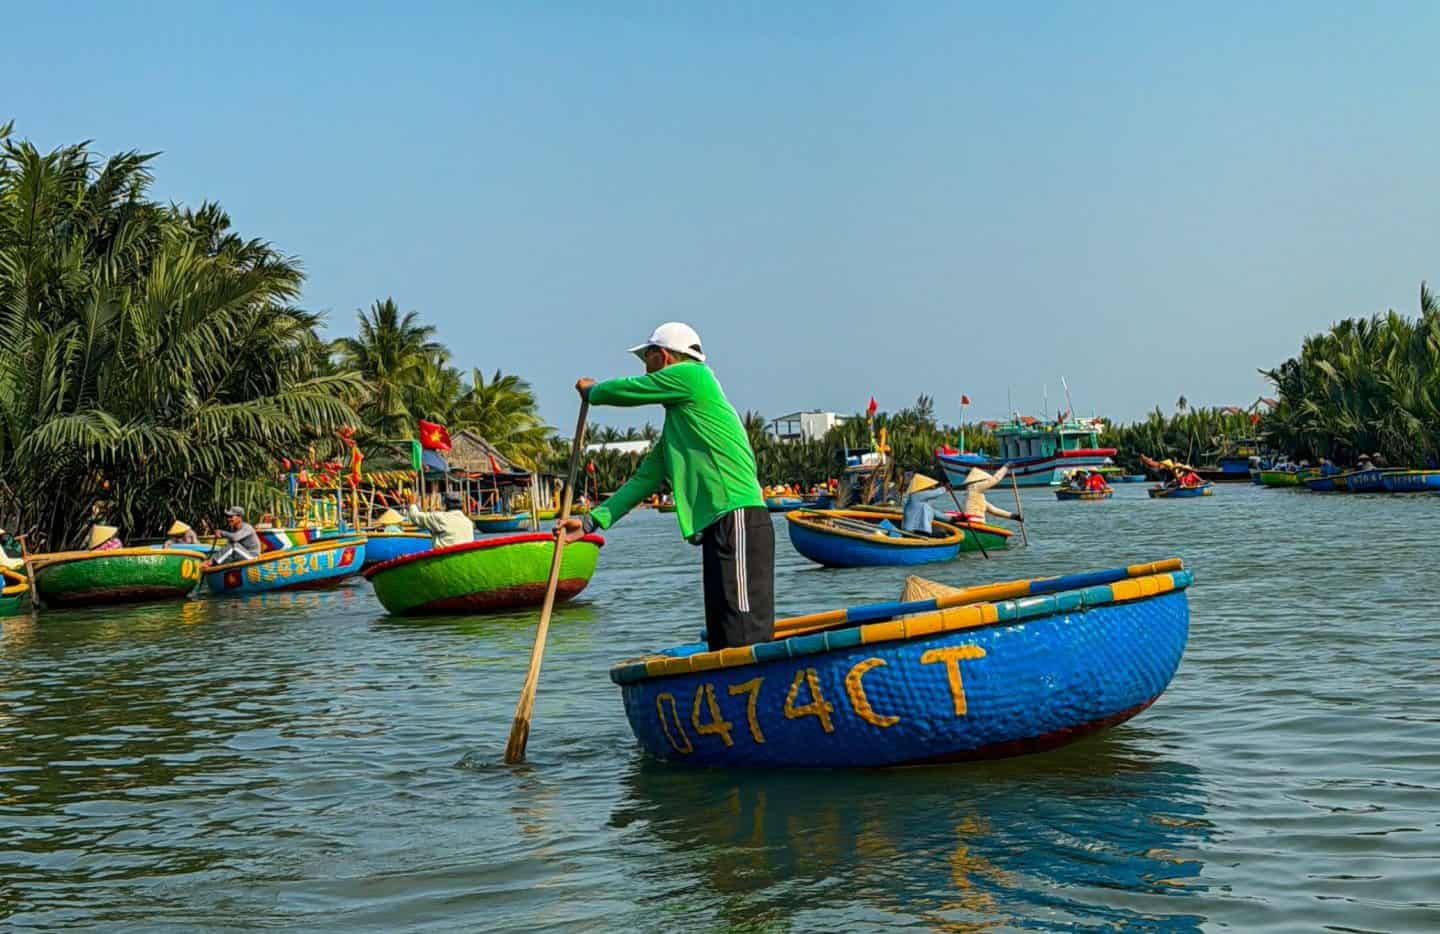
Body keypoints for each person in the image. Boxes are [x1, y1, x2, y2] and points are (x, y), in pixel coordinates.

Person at [557, 322, 772, 651]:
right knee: (724, 631)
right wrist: (590, 522)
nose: (645, 367)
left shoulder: (695, 375)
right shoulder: (678, 426)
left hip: (738, 516)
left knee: (744, 628)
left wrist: (593, 393)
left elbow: (634, 389)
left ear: (664, 357)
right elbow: (645, 480)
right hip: (719, 524)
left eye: (647, 358)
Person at [404, 490, 474, 548]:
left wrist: (412, 504)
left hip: (444, 557)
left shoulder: (440, 518)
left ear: (445, 506)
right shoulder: (468, 522)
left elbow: (415, 517)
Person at [956, 467, 1022, 525]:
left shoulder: (975, 496)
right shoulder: (976, 486)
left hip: (971, 522)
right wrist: (1006, 467)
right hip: (974, 522)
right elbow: (996, 479)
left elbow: (994, 511)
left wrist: (1014, 516)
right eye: (984, 481)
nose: (986, 483)